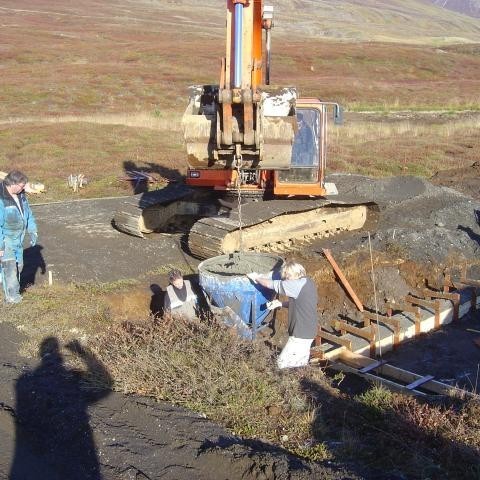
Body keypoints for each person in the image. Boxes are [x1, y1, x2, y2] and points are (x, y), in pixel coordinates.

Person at [247, 261, 318, 369]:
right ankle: (300, 381)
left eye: (288, 276)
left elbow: (271, 284)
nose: (286, 279)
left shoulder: (296, 285)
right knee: (299, 364)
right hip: (309, 330)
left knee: (282, 364)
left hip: (301, 333)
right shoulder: (308, 282)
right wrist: (280, 303)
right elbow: (299, 303)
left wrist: (256, 278)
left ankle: (287, 383)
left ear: (297, 273)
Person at [0, 170, 38, 304]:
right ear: (13, 184)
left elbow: (29, 214)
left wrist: (33, 230)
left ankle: (12, 290)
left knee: (18, 266)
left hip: (18, 238)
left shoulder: (21, 195)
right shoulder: (1, 198)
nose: (24, 188)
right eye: (22, 186)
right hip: (5, 239)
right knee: (10, 268)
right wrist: (1, 246)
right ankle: (11, 298)